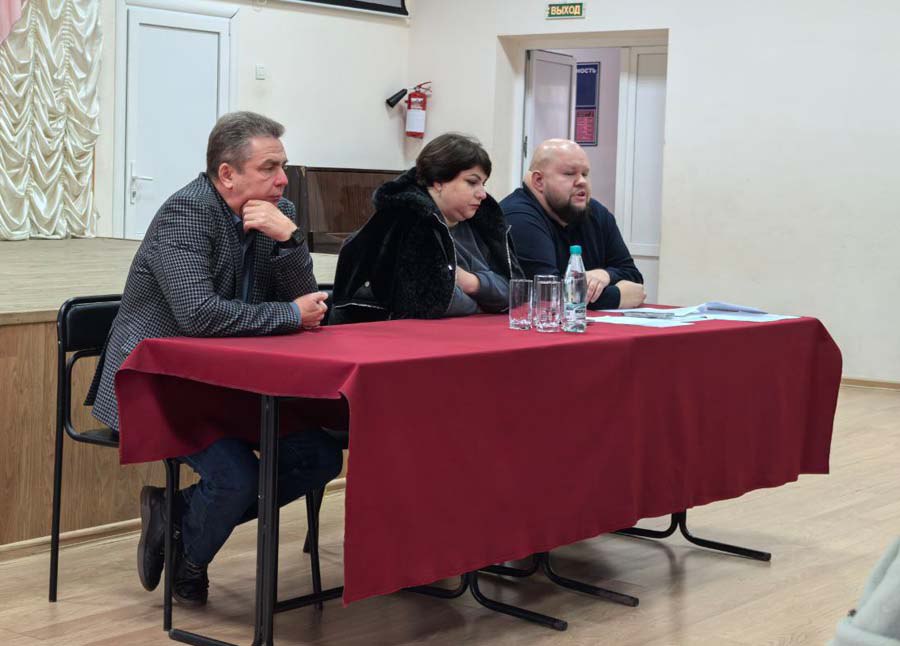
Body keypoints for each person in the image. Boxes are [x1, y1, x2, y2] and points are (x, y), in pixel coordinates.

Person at [87, 111, 343, 606]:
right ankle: (191, 561)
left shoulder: (277, 212)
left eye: (283, 166)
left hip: (228, 382)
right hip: (159, 382)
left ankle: (177, 516)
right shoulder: (186, 213)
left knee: (319, 456)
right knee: (236, 477)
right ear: (227, 174)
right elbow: (199, 315)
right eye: (269, 168)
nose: (283, 179)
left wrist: (290, 240)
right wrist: (290, 314)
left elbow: (307, 300)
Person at [331, 132, 521, 323]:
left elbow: (514, 290)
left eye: (483, 184)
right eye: (472, 182)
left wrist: (471, 283)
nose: (482, 194)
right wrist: (482, 304)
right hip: (387, 335)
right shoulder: (405, 221)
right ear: (438, 181)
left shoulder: (481, 225)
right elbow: (431, 302)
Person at [500, 138, 646, 310]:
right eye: (569, 174)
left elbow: (633, 277)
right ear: (539, 181)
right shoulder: (518, 216)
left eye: (585, 174)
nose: (582, 181)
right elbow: (547, 293)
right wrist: (617, 296)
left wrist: (605, 274)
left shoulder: (596, 213)